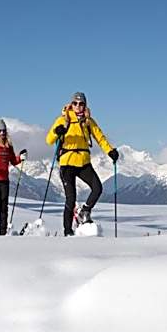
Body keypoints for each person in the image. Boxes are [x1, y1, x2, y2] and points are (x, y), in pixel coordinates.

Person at [45, 91, 119, 236]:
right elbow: (49, 140)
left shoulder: (88, 121)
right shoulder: (63, 119)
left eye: (81, 104)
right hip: (67, 163)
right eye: (75, 103)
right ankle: (67, 231)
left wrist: (110, 151)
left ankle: (85, 211)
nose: (78, 106)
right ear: (71, 104)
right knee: (70, 199)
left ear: (85, 105)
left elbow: (100, 137)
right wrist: (57, 132)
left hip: (84, 162)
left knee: (97, 188)